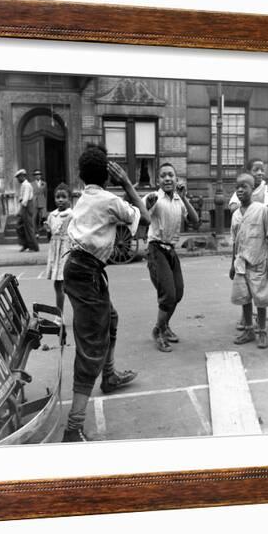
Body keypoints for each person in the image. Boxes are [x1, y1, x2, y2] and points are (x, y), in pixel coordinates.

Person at [62, 144, 150, 443]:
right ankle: (73, 427)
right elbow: (145, 218)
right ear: (108, 176)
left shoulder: (84, 196)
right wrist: (126, 182)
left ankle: (109, 376)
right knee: (90, 347)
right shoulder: (111, 200)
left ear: (82, 175)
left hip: (78, 268)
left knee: (110, 318)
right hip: (87, 272)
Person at [144, 163, 199, 352]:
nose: (167, 179)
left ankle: (164, 326)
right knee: (168, 294)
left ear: (176, 179)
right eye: (163, 176)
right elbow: (141, 218)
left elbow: (195, 221)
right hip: (156, 249)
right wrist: (146, 206)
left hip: (171, 250)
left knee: (178, 292)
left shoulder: (178, 199)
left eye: (171, 175)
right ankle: (158, 331)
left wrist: (185, 198)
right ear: (157, 180)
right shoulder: (153, 198)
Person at [229, 173, 268, 349]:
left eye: (245, 186)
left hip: (259, 261)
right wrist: (232, 265)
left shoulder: (262, 209)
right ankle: (249, 330)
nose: (240, 190)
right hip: (241, 264)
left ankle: (262, 331)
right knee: (244, 297)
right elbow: (235, 241)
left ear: (253, 189)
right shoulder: (235, 215)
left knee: (261, 298)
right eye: (238, 187)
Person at [44, 183, 73, 313]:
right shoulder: (52, 215)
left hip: (66, 251)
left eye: (63, 197)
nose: (60, 200)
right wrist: (48, 229)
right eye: (57, 197)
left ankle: (78, 313)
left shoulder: (72, 215)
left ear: (69, 199)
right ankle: (59, 315)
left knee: (68, 285)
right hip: (55, 252)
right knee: (57, 284)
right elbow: (51, 230)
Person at [14, 169, 39, 252]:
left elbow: (25, 200)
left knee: (29, 228)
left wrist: (19, 211)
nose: (18, 179)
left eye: (18, 177)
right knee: (20, 227)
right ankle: (25, 244)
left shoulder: (27, 185)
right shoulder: (23, 185)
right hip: (24, 208)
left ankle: (33, 247)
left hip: (27, 208)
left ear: (23, 176)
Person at [32, 169, 47, 236]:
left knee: (42, 216)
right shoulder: (31, 184)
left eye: (39, 174)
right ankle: (36, 231)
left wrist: (45, 202)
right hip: (34, 201)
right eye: (36, 175)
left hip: (42, 201)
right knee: (35, 217)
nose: (38, 176)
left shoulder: (44, 183)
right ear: (34, 176)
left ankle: (42, 230)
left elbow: (45, 194)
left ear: (40, 175)